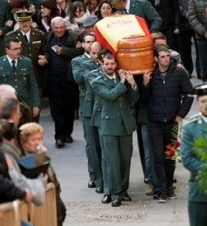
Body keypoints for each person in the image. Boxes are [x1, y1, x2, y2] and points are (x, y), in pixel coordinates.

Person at [89, 50, 139, 207]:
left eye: (112, 64)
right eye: (106, 64)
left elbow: (133, 99)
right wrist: (123, 83)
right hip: (108, 125)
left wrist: (133, 85)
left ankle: (123, 190)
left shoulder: (122, 76)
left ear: (116, 64)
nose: (109, 66)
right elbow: (110, 95)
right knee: (112, 161)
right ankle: (115, 193)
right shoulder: (97, 80)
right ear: (103, 65)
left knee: (125, 160)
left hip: (125, 124)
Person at [146, 44, 193, 202]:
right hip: (155, 121)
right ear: (156, 59)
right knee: (158, 156)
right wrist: (145, 84)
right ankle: (161, 189)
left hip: (172, 121)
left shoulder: (179, 72)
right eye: (163, 57)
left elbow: (189, 94)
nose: (166, 59)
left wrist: (180, 115)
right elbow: (144, 99)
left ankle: (168, 186)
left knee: (170, 157)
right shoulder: (151, 74)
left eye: (168, 56)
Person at [38, 17, 83, 147]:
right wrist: (44, 58)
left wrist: (63, 51)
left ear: (65, 27)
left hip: (69, 79)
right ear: (52, 28)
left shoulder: (73, 37)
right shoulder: (48, 37)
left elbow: (80, 52)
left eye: (61, 27)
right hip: (53, 79)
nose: (59, 30)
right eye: (56, 28)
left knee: (70, 107)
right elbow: (45, 52)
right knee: (57, 109)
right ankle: (59, 137)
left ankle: (67, 133)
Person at [181, 83, 207, 226]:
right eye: (203, 101)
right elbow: (187, 158)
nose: (206, 105)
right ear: (198, 104)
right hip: (199, 192)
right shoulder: (191, 128)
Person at [71, 35, 103, 191]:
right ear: (83, 45)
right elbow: (78, 78)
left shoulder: (104, 60)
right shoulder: (78, 61)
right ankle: (95, 176)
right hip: (88, 106)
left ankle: (105, 176)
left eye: (93, 42)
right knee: (92, 144)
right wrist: (92, 63)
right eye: (88, 42)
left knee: (103, 144)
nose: (90, 45)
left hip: (103, 106)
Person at [5, 8, 47, 102]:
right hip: (18, 77)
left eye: (27, 20)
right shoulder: (10, 36)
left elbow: (45, 52)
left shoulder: (39, 34)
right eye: (22, 21)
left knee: (36, 107)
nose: (25, 24)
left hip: (36, 75)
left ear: (31, 20)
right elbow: (6, 57)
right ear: (18, 23)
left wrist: (45, 59)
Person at [174, 0, 199, 76]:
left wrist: (193, 14)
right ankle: (188, 71)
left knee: (200, 50)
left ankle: (201, 71)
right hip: (184, 24)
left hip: (198, 24)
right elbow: (175, 5)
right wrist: (184, 13)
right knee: (185, 51)